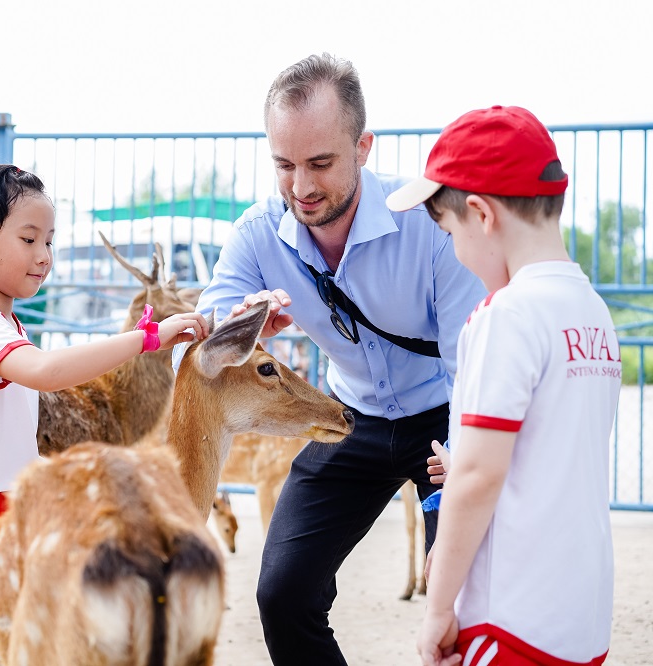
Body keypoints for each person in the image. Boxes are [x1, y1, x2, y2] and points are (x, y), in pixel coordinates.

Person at [174, 53, 486, 664]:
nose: (302, 187)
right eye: (284, 165)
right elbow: (208, 324)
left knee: (468, 592)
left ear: (363, 147)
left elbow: (472, 368)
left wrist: (454, 502)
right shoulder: (257, 233)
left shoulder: (429, 224)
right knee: (282, 592)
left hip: (447, 419)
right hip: (354, 419)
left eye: (321, 163)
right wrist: (247, 317)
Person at [0, 164, 209, 666]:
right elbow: (45, 371)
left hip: (4, 509)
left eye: (50, 241)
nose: (44, 257)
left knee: (2, 649)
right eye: (29, 239)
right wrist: (147, 338)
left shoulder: (2, 317)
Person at [387, 106, 621, 666]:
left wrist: (439, 606)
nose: (457, 255)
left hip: (509, 619)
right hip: (580, 620)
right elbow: (545, 451)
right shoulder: (592, 312)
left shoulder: (505, 315)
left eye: (448, 234)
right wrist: (469, 455)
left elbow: (478, 476)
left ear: (481, 214)